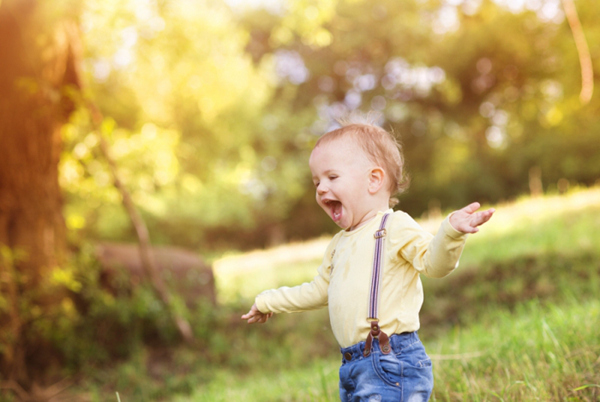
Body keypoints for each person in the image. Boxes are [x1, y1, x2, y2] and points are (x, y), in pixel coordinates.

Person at [241, 116, 495, 401]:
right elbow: (317, 291)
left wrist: (449, 234)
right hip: (352, 365)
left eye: (332, 177)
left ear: (374, 180)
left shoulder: (394, 226)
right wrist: (268, 301)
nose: (321, 188)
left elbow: (435, 265)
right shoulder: (338, 245)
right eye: (317, 181)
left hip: (391, 361)